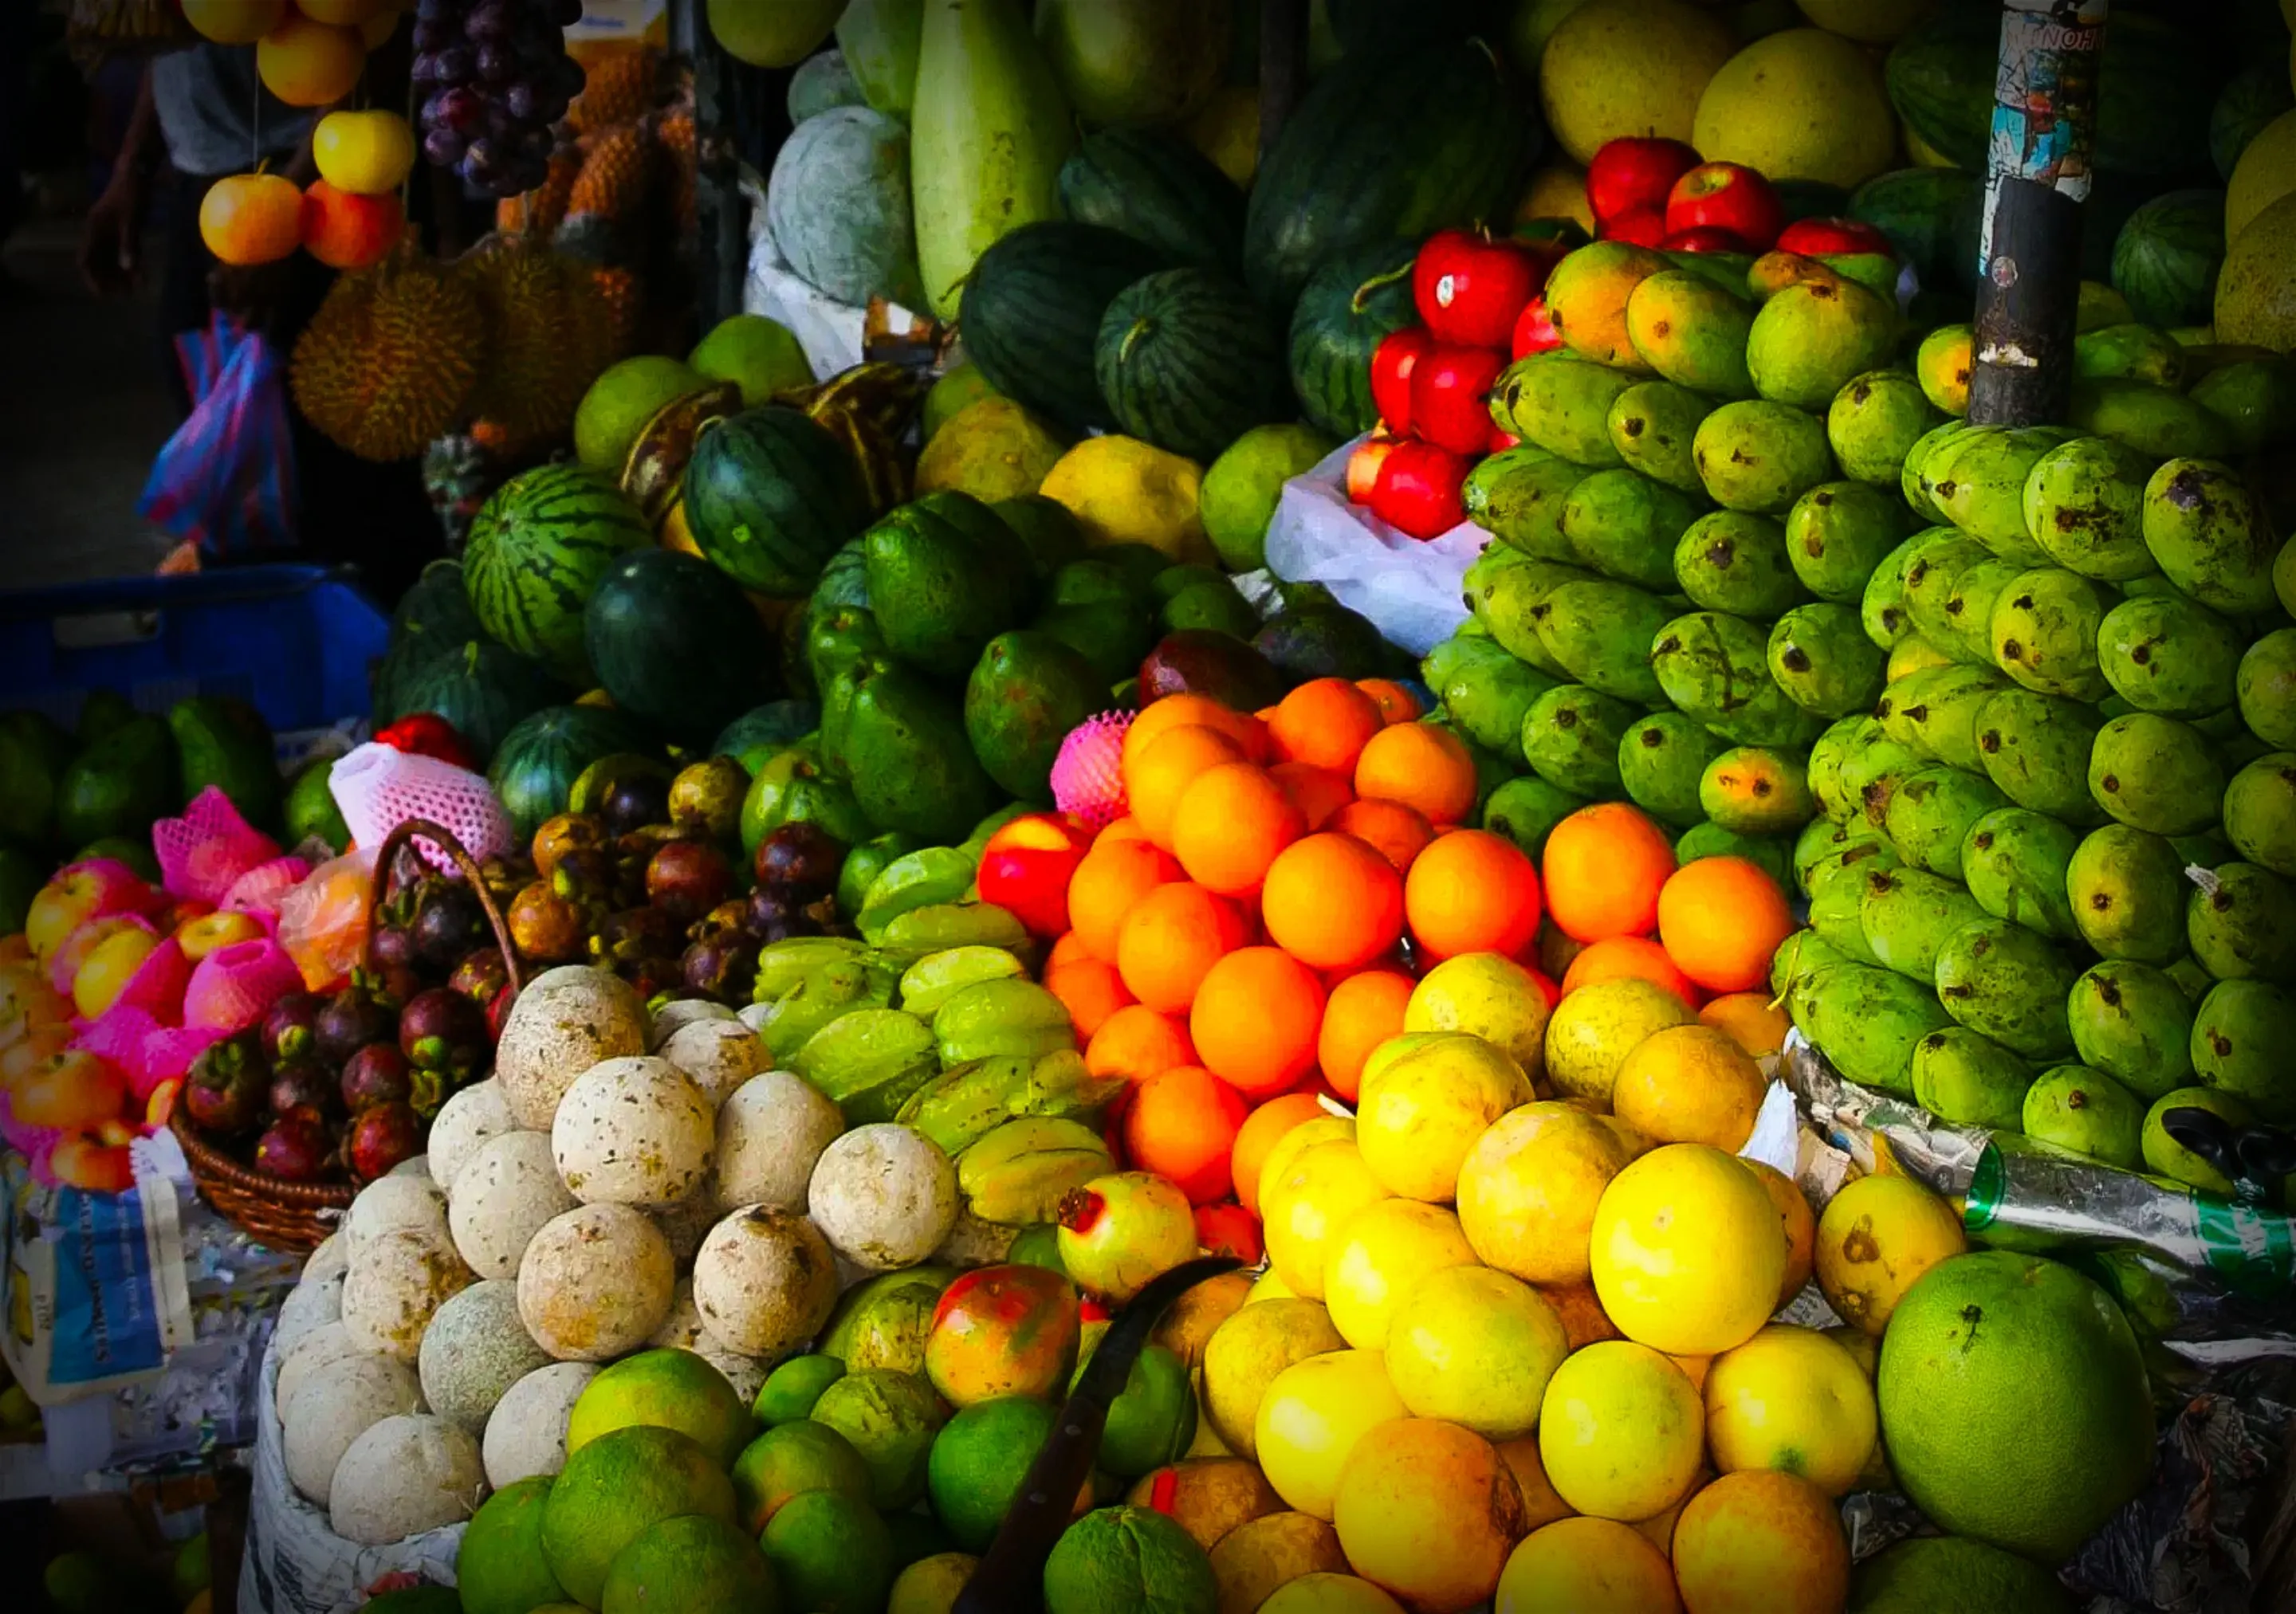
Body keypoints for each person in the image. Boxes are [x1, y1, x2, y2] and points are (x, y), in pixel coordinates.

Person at [80, 41, 439, 605]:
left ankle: (385, 645)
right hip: (210, 184)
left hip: (319, 179)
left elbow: (371, 39)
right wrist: (135, 164)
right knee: (234, 455)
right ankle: (264, 641)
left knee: (352, 475)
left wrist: (290, 209)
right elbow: (169, 37)